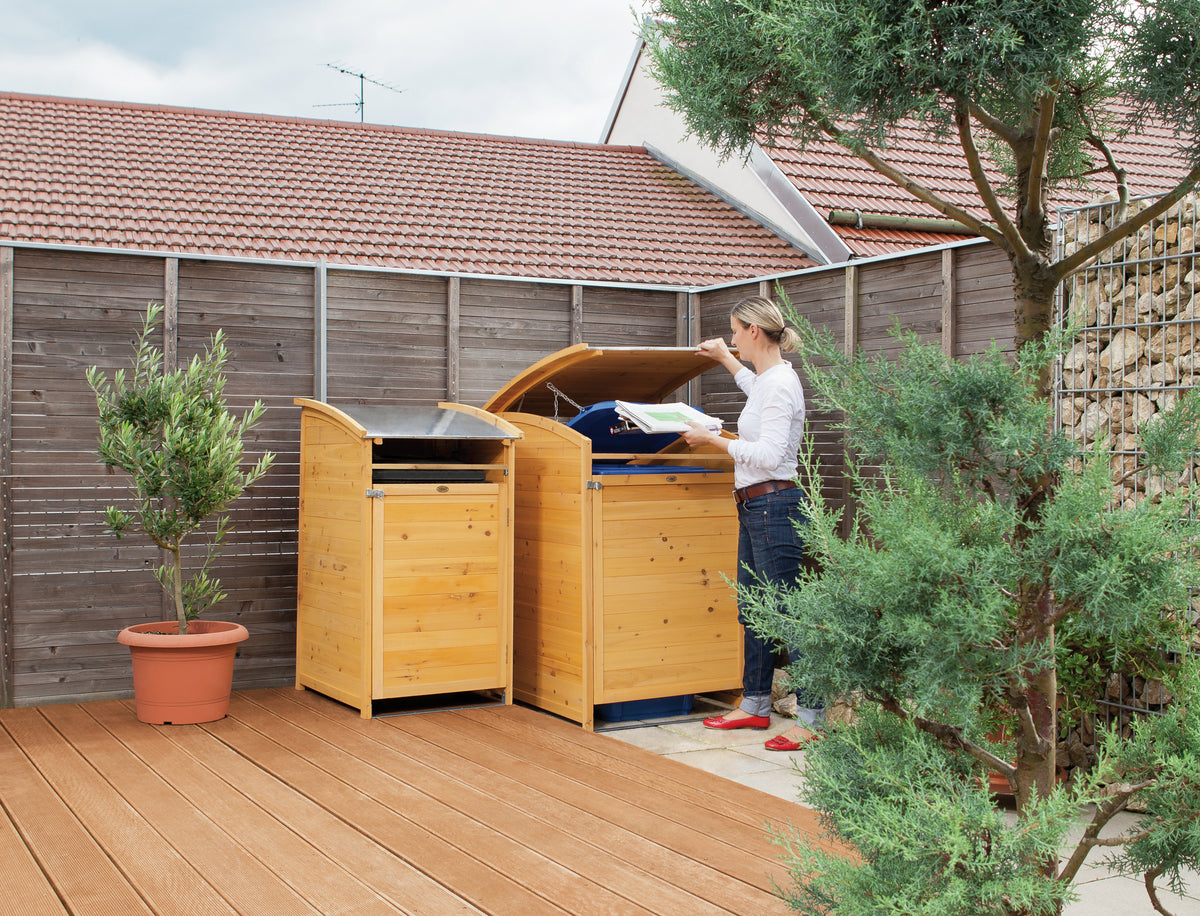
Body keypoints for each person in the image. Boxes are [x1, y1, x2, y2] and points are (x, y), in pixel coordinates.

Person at [679, 295, 824, 751]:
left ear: (753, 331)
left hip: (774, 506)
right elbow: (754, 388)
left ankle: (814, 719)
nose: (733, 338)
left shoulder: (780, 384)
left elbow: (770, 455)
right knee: (756, 610)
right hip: (755, 506)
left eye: (735, 332)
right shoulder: (767, 380)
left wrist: (715, 440)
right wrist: (724, 358)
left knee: (790, 614)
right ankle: (756, 705)